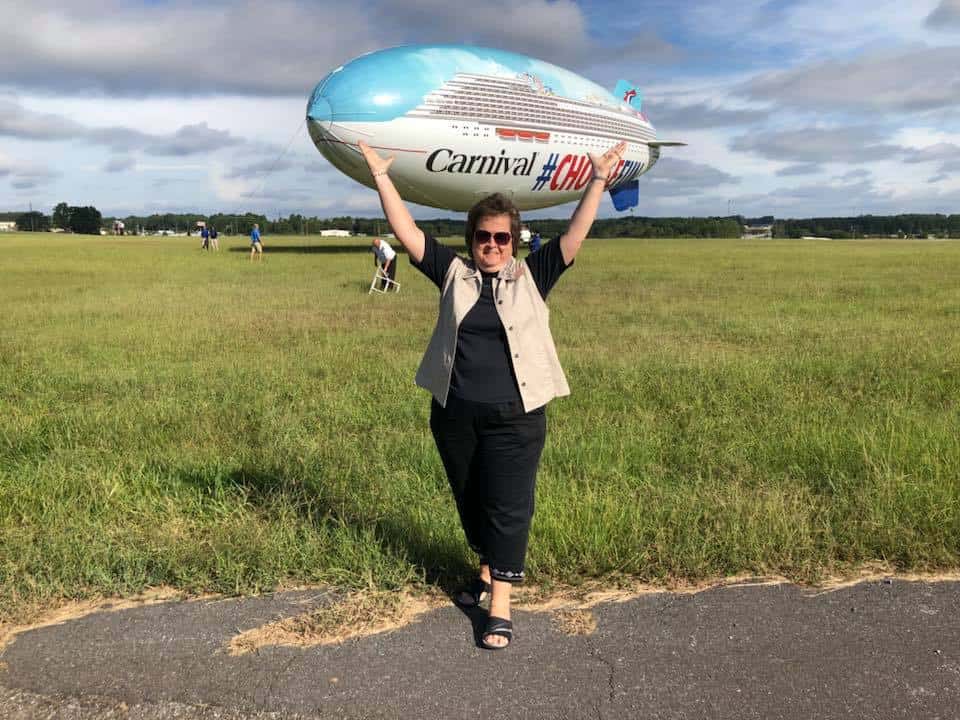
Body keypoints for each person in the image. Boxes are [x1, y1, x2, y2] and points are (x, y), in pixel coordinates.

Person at [357, 137, 626, 650]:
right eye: (484, 237)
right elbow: (406, 232)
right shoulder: (453, 274)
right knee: (471, 498)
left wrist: (597, 178)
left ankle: (500, 602)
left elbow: (574, 234)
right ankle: (485, 567)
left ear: (515, 241)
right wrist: (381, 176)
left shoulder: (532, 276)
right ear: (472, 237)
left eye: (503, 239)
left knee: (508, 504)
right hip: (454, 413)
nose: (493, 246)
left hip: (517, 415)